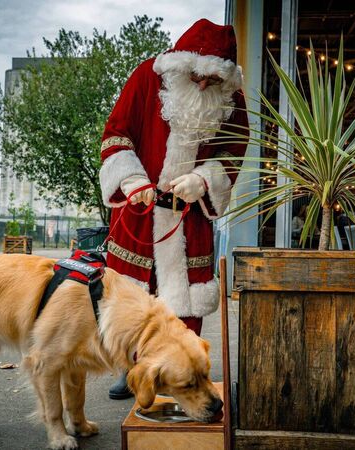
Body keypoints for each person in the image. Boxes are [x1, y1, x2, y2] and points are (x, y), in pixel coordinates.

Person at [98, 19, 249, 399]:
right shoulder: (147, 78)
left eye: (211, 80)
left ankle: (185, 370)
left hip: (190, 216)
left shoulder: (234, 101)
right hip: (139, 209)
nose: (201, 85)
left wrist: (202, 180)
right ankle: (131, 368)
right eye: (195, 75)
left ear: (224, 78)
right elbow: (116, 132)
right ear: (180, 63)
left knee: (186, 301)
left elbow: (234, 155)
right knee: (132, 297)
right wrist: (133, 182)